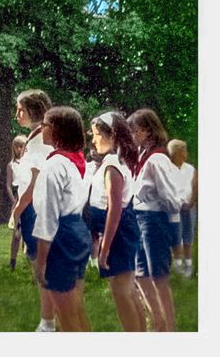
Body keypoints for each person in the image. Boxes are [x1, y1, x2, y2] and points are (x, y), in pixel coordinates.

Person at [32, 106, 92, 331]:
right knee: (76, 307)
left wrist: (41, 261)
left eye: (45, 124)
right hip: (77, 231)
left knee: (65, 314)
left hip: (62, 236)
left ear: (57, 130)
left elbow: (48, 218)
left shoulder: (54, 165)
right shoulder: (74, 161)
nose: (41, 128)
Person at [88, 111, 146, 331]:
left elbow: (114, 209)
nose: (93, 140)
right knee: (129, 291)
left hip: (117, 233)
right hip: (119, 231)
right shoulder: (116, 161)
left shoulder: (112, 165)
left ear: (111, 135)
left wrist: (104, 249)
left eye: (96, 134)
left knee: (122, 293)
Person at [127, 108, 181, 332]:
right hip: (140, 219)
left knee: (158, 276)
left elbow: (171, 197)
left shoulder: (157, 159)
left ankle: (170, 327)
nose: (130, 135)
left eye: (134, 130)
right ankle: (157, 322)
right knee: (141, 275)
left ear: (148, 131)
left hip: (153, 220)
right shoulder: (142, 157)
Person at [11, 89, 55, 332]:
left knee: (41, 265)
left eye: (21, 110)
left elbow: (35, 180)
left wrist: (17, 209)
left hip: (35, 207)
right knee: (37, 263)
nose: (17, 114)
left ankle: (48, 321)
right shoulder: (34, 136)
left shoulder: (41, 140)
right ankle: (48, 316)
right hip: (31, 207)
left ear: (34, 111)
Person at [167, 139, 198, 278]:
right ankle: (178, 264)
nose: (186, 153)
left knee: (188, 233)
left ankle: (189, 264)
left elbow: (195, 186)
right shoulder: (167, 169)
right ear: (176, 152)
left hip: (189, 205)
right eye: (183, 150)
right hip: (174, 207)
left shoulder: (190, 168)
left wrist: (192, 201)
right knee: (175, 234)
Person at [6, 135, 27, 271]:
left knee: (28, 231)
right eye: (17, 146)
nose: (19, 149)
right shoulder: (11, 165)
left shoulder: (29, 163)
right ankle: (12, 261)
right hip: (17, 196)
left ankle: (28, 258)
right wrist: (14, 201)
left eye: (22, 146)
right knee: (16, 234)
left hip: (28, 196)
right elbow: (8, 184)